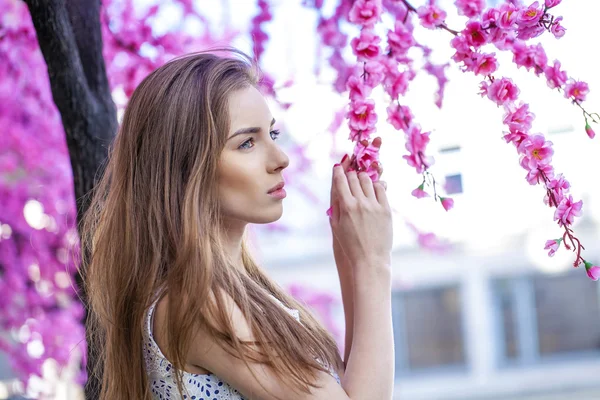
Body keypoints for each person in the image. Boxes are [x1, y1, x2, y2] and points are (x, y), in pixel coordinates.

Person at [80, 49, 394, 400]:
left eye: (272, 135)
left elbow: (351, 391)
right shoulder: (197, 301)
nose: (280, 159)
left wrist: (351, 257)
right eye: (247, 143)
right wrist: (373, 264)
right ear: (185, 170)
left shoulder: (228, 292)